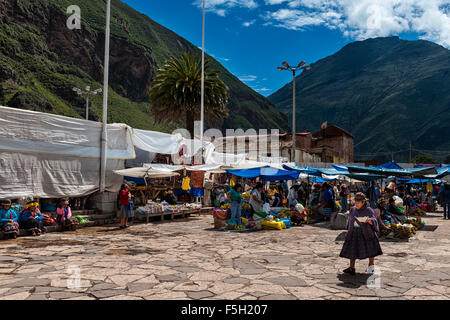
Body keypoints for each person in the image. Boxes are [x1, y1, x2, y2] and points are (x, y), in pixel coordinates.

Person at [340, 192, 383, 275]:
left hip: (366, 232)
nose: (356, 204)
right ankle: (352, 267)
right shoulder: (353, 209)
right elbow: (349, 220)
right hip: (354, 232)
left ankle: (371, 266)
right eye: (355, 202)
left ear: (363, 202)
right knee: (352, 250)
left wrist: (370, 221)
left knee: (371, 249)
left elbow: (374, 219)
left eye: (358, 203)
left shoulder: (368, 210)